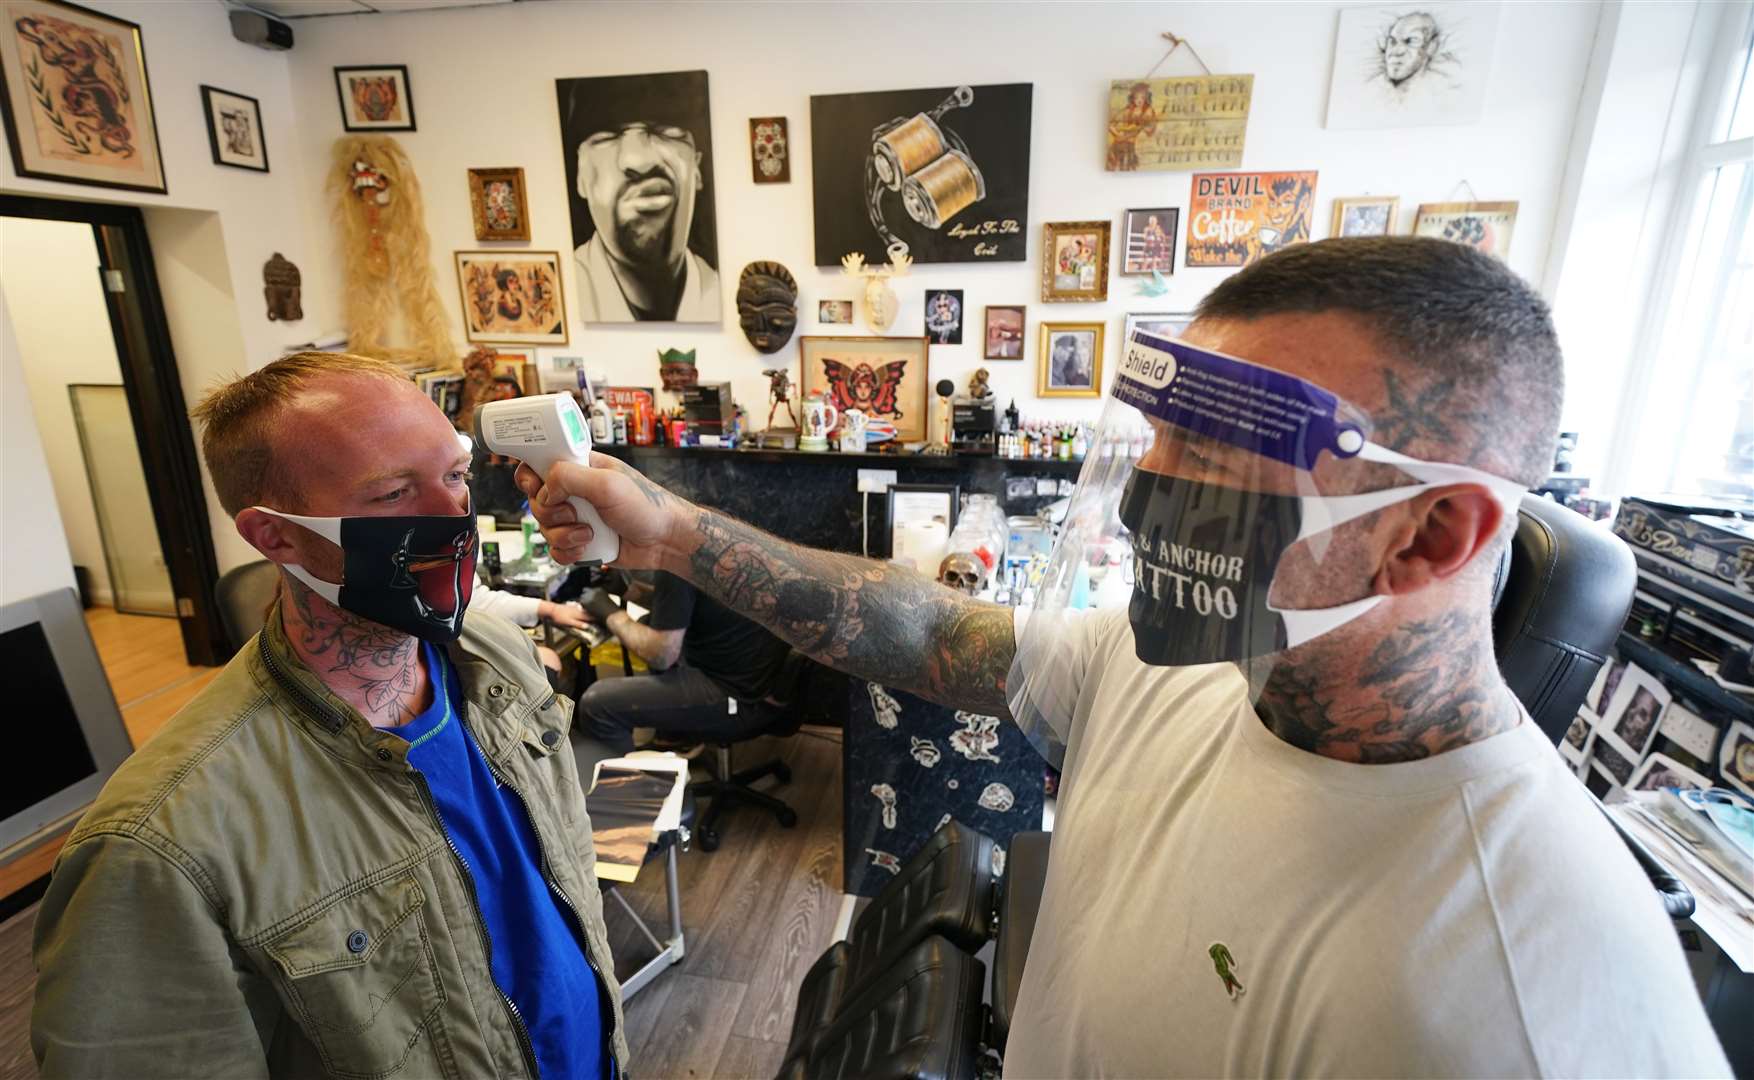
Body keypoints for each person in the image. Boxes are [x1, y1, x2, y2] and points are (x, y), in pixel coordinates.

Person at [517, 238, 1731, 1077]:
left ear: (1427, 533)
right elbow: (924, 630)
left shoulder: (1523, 998)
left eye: (1212, 472)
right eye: (1154, 451)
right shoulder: (1191, 665)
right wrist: (672, 528)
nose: (1147, 508)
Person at [33, 353, 627, 1078]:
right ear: (275, 536)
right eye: (392, 493)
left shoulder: (497, 654)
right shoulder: (159, 843)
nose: (454, 517)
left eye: (455, 475)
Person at [573, 572, 825, 754]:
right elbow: (688, 604)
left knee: (598, 703)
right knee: (652, 622)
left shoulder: (676, 564)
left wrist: (610, 613)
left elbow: (661, 656)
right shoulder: (717, 551)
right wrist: (627, 591)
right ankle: (677, 738)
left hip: (739, 698)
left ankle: (625, 811)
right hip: (763, 683)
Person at [570, 106, 719, 322]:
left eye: (667, 130)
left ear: (696, 168)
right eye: (606, 136)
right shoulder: (559, 297)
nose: (639, 161)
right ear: (580, 178)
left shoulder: (724, 294)